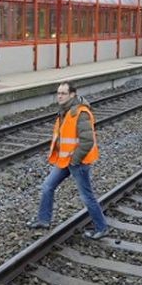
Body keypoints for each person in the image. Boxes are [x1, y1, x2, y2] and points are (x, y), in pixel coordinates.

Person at [28, 81, 109, 239]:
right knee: (47, 186)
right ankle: (43, 220)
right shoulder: (65, 111)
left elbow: (87, 141)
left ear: (72, 94)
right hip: (65, 161)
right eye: (58, 93)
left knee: (87, 196)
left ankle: (101, 227)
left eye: (63, 93)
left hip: (78, 162)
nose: (59, 96)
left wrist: (75, 160)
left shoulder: (81, 112)